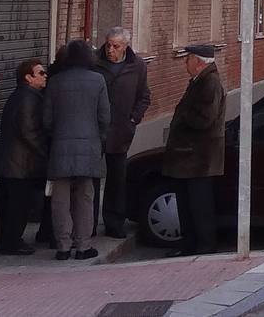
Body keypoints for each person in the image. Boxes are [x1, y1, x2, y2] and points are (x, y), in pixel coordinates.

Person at [42, 40, 111, 261]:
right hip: (89, 146)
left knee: (60, 200)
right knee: (85, 198)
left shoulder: (55, 82)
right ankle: (83, 246)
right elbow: (104, 117)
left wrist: (57, 136)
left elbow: (47, 119)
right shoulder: (98, 80)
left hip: (61, 147)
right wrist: (98, 140)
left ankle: (63, 246)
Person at [164, 43, 227, 257]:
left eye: (188, 59)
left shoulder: (209, 83)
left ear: (199, 62)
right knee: (188, 204)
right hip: (191, 157)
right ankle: (190, 245)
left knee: (199, 206)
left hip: (199, 157)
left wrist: (183, 117)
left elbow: (205, 119)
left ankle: (204, 246)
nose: (185, 63)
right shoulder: (199, 81)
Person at [0, 58, 48, 256]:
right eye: (40, 73)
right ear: (28, 77)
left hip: (11, 162)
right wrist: (45, 152)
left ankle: (8, 241)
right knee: (17, 206)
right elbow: (28, 131)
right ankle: (12, 242)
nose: (45, 75)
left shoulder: (23, 95)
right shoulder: (27, 98)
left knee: (10, 205)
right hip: (19, 164)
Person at [96, 27, 151, 239]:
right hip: (96, 129)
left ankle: (114, 222)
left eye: (115, 46)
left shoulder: (137, 66)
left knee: (117, 179)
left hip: (121, 130)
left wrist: (133, 118)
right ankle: (88, 225)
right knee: (91, 178)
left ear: (125, 46)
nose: (110, 50)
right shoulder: (95, 63)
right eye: (108, 45)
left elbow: (144, 96)